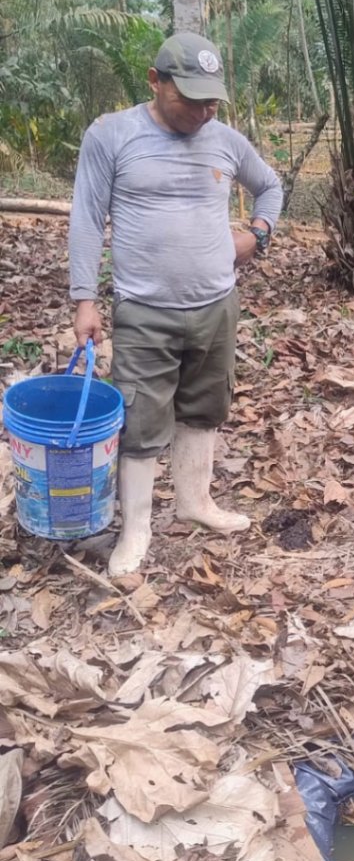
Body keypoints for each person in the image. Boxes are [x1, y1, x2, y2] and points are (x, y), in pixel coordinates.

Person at [69, 31, 283, 577]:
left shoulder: (226, 140)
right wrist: (84, 299)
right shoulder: (112, 135)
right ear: (154, 81)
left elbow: (271, 186)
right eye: (189, 96)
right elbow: (88, 218)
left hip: (216, 303)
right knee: (140, 419)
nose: (203, 109)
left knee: (205, 406)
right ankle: (136, 527)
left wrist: (257, 235)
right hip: (145, 309)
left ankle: (196, 502)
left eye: (211, 98)